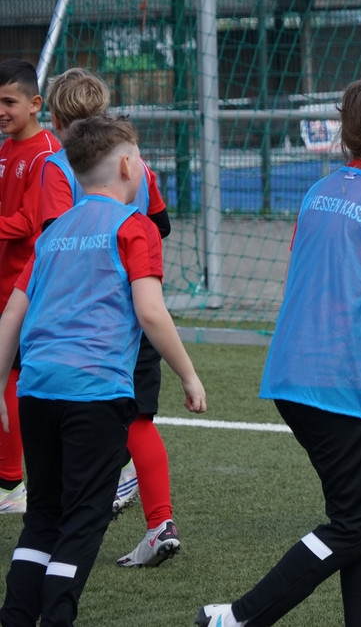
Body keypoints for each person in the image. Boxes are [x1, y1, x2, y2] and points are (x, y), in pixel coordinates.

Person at [196, 78, 361, 627]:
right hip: (338, 383)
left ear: (344, 137)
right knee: (355, 525)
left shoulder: (319, 191)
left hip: (290, 373)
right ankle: (238, 618)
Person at [0, 114, 207, 626]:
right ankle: (56, 617)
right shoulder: (134, 227)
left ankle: (16, 616)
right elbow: (151, 311)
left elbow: (12, 315)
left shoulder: (54, 233)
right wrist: (188, 375)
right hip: (94, 393)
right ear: (127, 166)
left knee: (42, 516)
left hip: (36, 390)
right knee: (84, 517)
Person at [41, 67, 180, 568]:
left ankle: (60, 523)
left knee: (62, 418)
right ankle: (159, 523)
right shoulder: (138, 165)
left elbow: (54, 239)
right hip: (136, 310)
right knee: (137, 419)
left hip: (79, 322)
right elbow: (160, 224)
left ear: (56, 122)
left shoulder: (56, 167)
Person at [0, 58, 61, 515]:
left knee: (17, 382)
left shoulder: (45, 153)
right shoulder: (7, 148)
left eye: (9, 102)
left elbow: (32, 222)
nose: (1, 112)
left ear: (36, 103)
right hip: (6, 282)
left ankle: (10, 484)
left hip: (28, 288)